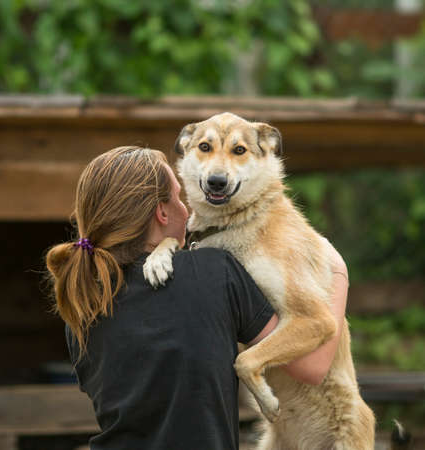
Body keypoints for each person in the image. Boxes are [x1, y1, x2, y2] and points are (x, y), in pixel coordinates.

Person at [46, 146, 349, 450]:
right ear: (161, 213)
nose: (187, 208)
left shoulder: (81, 307)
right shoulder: (215, 271)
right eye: (179, 197)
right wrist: (338, 274)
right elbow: (313, 367)